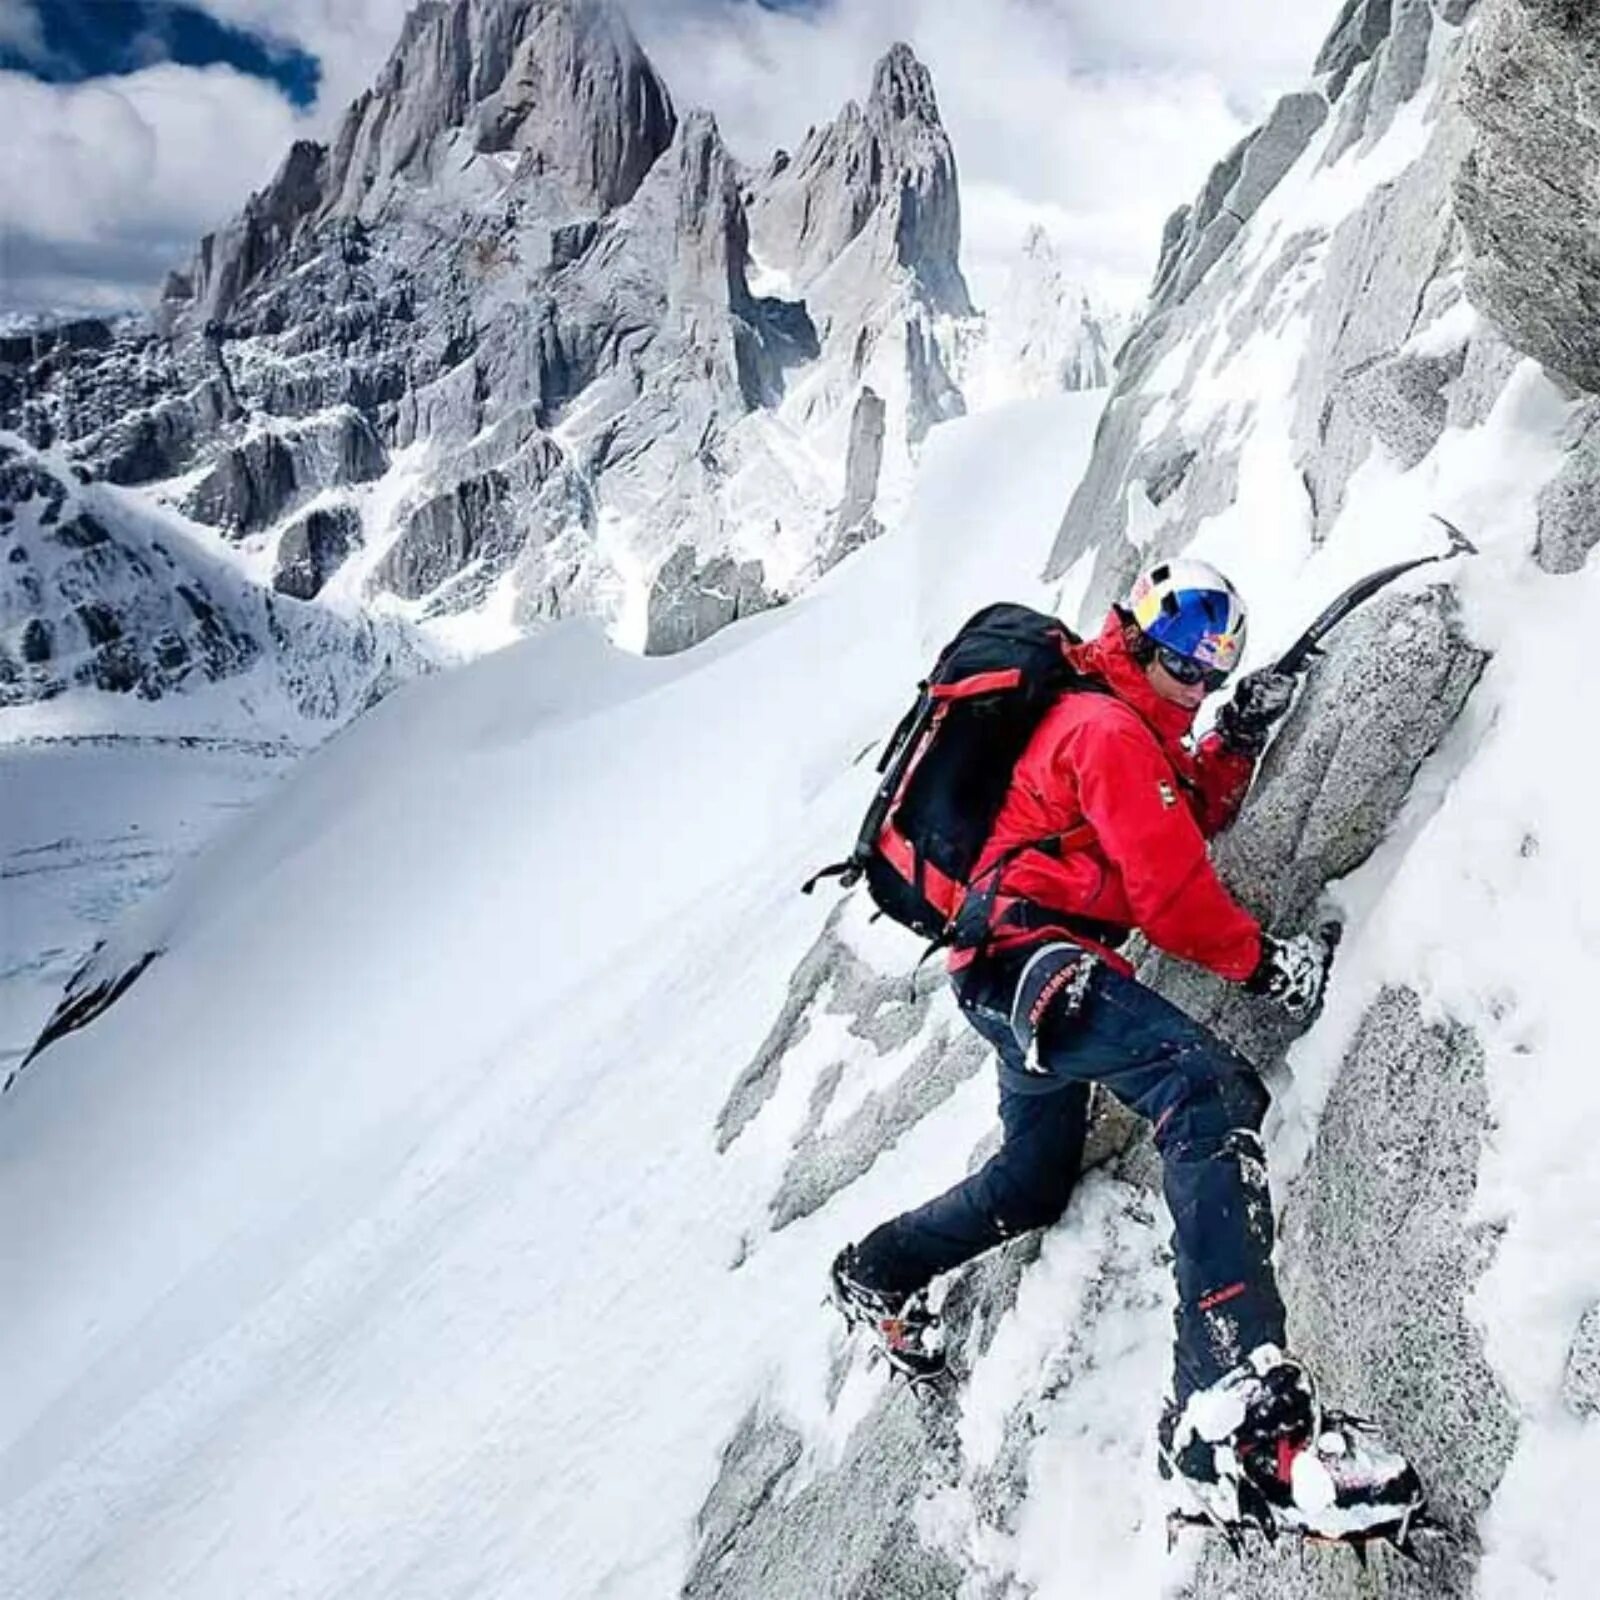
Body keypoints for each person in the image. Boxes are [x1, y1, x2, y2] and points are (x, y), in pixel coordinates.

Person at [830, 559, 1422, 1543]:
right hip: (1036, 966)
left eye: (1215, 671)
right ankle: (1226, 1417)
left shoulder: (1116, 720)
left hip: (1006, 975)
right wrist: (1266, 968)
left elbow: (1174, 819)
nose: (1201, 685)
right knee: (1207, 1088)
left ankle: (877, 1267)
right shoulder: (1105, 729)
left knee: (1031, 1182)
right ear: (1140, 640)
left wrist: (1231, 742)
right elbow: (1173, 898)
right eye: (1190, 666)